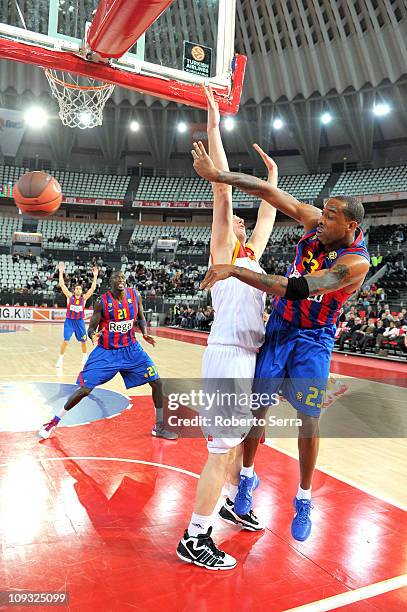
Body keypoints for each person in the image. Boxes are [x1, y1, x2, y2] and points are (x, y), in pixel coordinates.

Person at [193, 140, 370, 550]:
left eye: (330, 218)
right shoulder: (317, 223)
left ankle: (303, 498)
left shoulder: (355, 263)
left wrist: (235, 270)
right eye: (322, 214)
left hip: (313, 338)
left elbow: (300, 287)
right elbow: (271, 195)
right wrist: (219, 176)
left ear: (350, 227)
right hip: (280, 329)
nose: (320, 221)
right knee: (259, 407)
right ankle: (247, 482)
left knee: (308, 418)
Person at [176, 86, 277, 570]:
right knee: (219, 452)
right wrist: (215, 128)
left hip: (247, 359)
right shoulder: (223, 255)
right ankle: (195, 537)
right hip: (227, 356)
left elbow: (267, 214)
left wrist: (273, 178)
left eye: (241, 221)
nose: (239, 221)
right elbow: (223, 189)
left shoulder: (251, 258)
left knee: (235, 445)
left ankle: (236, 506)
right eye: (234, 221)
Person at [40, 271, 177, 441]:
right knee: (85, 389)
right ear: (109, 283)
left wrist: (145, 333)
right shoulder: (102, 302)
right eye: (116, 278)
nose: (120, 280)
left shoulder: (135, 295)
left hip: (131, 349)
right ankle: (54, 421)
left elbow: (141, 317)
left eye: (122, 278)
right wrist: (92, 336)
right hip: (107, 351)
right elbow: (91, 328)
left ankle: (159, 426)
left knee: (156, 382)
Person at [56, 262, 98, 368]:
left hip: (79, 322)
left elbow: (92, 289)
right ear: (74, 290)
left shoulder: (84, 298)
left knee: (83, 341)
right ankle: (60, 359)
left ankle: (84, 357)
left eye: (80, 288)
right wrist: (61, 272)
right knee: (66, 340)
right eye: (77, 288)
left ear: (81, 290)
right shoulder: (69, 297)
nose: (78, 290)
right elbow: (62, 285)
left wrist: (95, 276)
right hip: (69, 321)